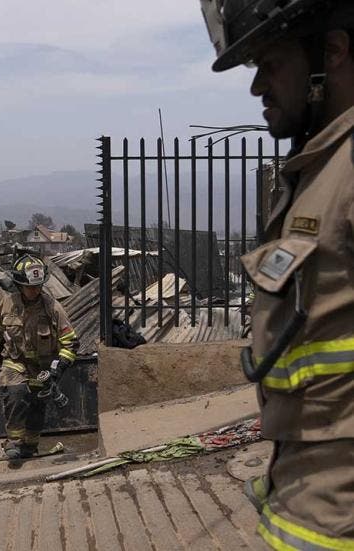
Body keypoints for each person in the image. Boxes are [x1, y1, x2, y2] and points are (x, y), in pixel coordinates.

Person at [201, 0, 354, 547]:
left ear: (332, 52)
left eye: (270, 62)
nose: (256, 87)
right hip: (306, 476)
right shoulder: (317, 168)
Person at [0, 254, 77, 462]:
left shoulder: (52, 307)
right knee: (15, 393)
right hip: (15, 362)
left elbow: (70, 341)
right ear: (19, 284)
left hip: (43, 368)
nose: (35, 290)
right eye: (30, 286)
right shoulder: (8, 304)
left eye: (38, 286)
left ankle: (30, 445)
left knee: (36, 405)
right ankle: (13, 442)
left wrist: (59, 367)